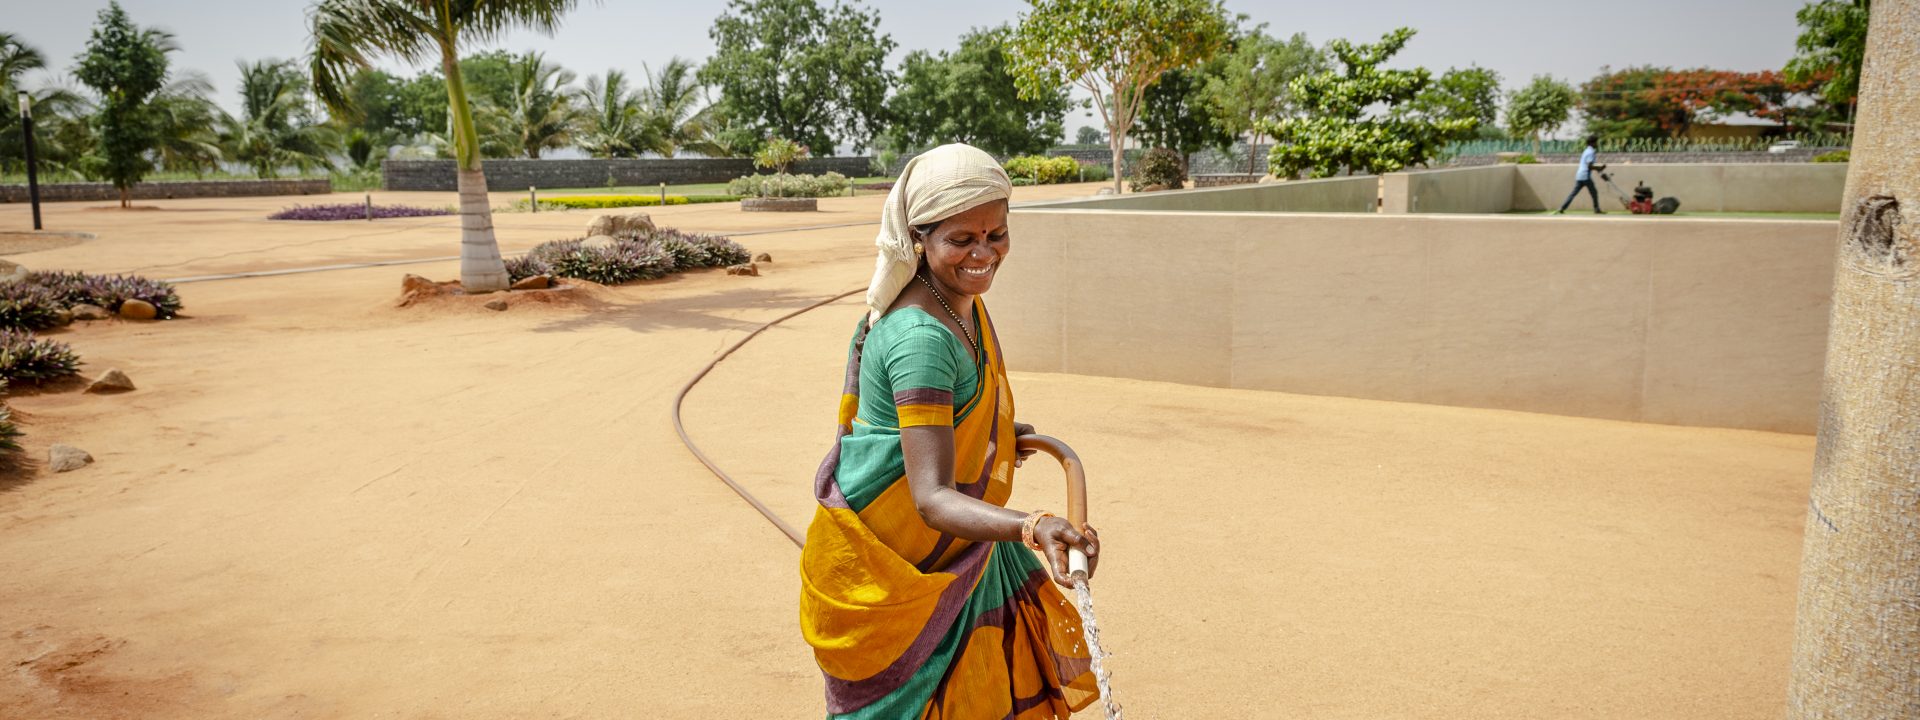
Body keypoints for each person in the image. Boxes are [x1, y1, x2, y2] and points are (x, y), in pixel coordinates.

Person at [799, 143, 1102, 719]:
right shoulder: (923, 340)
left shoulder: (960, 300)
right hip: (897, 571)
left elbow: (954, 419)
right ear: (920, 237)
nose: (984, 252)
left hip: (957, 555)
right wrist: (1034, 526)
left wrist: (993, 437)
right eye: (962, 239)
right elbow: (933, 498)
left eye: (997, 233)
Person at [1556, 135, 1608, 214]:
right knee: (1594, 192)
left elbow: (1590, 165)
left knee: (1573, 193)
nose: (1597, 144)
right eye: (1596, 142)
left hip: (1579, 175)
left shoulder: (1586, 151)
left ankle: (1562, 207)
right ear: (1592, 143)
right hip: (1585, 176)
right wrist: (1600, 168)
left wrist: (1600, 171)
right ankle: (1596, 209)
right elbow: (1589, 166)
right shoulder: (1591, 152)